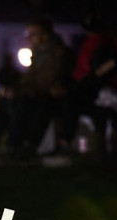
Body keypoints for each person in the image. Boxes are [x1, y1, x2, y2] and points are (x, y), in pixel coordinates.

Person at [55, 7, 117, 157]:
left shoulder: (105, 43)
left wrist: (74, 87)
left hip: (98, 90)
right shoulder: (92, 42)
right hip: (87, 86)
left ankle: (65, 142)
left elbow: (100, 72)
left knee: (72, 101)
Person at [6, 15, 73, 160]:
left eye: (33, 34)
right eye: (28, 34)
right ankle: (6, 145)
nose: (29, 38)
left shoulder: (57, 53)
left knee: (34, 106)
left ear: (45, 35)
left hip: (50, 94)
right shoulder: (37, 52)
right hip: (36, 92)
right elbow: (30, 78)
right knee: (11, 101)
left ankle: (25, 145)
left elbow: (48, 79)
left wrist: (22, 90)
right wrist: (15, 89)